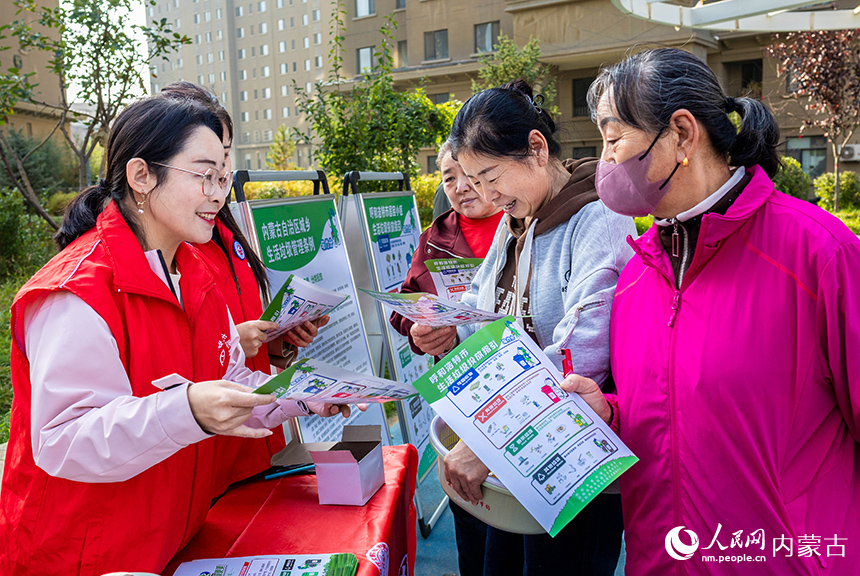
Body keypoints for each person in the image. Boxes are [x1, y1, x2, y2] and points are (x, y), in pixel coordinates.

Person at [0, 96, 348, 575]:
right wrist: (185, 409)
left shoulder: (193, 271)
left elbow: (231, 379)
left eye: (223, 176)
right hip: (84, 553)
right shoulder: (76, 292)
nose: (219, 194)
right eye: (204, 174)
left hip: (171, 535)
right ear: (142, 176)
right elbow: (63, 440)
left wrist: (302, 398)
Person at [562, 47, 860, 574]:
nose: (604, 164)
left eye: (613, 141)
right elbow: (677, 413)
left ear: (681, 133)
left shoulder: (818, 253)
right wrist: (609, 411)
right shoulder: (636, 276)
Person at [411, 80, 636, 575]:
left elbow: (582, 353)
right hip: (511, 448)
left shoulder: (598, 217)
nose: (485, 195)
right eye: (471, 180)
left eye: (490, 176)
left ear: (536, 149)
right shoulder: (517, 218)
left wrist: (488, 440)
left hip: (566, 457)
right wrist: (449, 329)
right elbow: (481, 304)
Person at [158, 82, 327, 497]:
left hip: (251, 426)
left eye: (225, 161)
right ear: (146, 172)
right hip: (203, 456)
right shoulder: (167, 256)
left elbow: (230, 350)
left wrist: (276, 341)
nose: (217, 185)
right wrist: (235, 341)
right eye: (204, 169)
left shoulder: (223, 233)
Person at [389, 140, 502, 576]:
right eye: (447, 177)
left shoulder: (520, 223)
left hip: (519, 385)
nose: (459, 186)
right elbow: (406, 305)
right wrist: (418, 333)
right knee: (469, 510)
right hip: (458, 391)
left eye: (467, 173)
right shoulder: (434, 238)